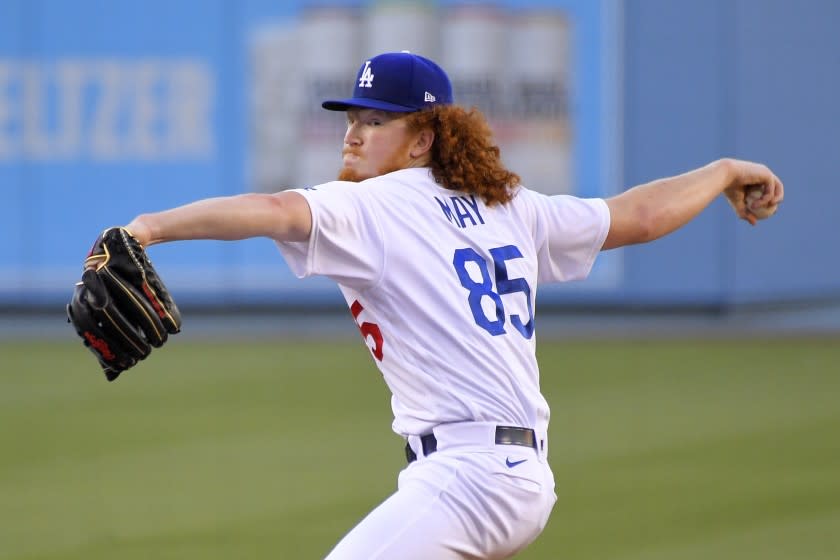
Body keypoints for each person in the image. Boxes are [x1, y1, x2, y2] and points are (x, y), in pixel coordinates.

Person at [121, 52, 783, 559]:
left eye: (375, 121)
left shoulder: (371, 206)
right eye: (351, 119)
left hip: (469, 480)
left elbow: (272, 211)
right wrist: (722, 170)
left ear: (424, 139)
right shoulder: (510, 207)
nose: (353, 135)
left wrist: (147, 227)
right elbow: (635, 216)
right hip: (516, 476)